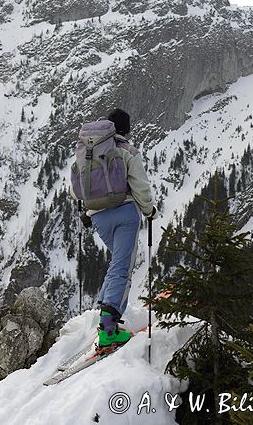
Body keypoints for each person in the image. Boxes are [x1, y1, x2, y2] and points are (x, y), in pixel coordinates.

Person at [73, 108, 157, 348]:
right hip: (125, 214)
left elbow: (76, 187)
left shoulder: (89, 151)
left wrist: (90, 211)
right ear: (127, 129)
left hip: (98, 217)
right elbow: (140, 186)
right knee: (123, 267)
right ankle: (109, 328)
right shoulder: (128, 151)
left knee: (116, 263)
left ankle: (104, 313)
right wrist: (149, 210)